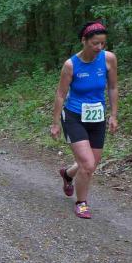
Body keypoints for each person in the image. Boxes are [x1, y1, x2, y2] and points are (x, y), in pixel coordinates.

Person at [50, 21, 118, 219]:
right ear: (84, 41)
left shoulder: (109, 59)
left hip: (97, 118)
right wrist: (55, 123)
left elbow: (113, 87)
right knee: (87, 165)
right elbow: (61, 94)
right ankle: (81, 203)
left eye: (102, 43)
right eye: (95, 43)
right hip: (74, 117)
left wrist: (114, 115)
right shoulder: (71, 65)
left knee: (90, 164)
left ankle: (67, 174)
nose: (99, 47)